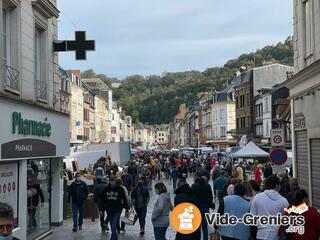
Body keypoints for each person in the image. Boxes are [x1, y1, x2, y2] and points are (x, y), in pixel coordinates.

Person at [250, 175, 289, 240]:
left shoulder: (257, 198)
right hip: (276, 235)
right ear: (277, 185)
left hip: (261, 234)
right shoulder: (284, 201)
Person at [101, 176, 129, 240]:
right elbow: (102, 200)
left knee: (114, 225)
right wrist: (101, 209)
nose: (112, 182)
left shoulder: (120, 189)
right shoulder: (106, 189)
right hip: (109, 210)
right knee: (112, 226)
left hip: (118, 209)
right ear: (109, 181)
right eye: (111, 180)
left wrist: (126, 209)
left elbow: (124, 199)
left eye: (113, 180)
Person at [191, 171, 215, 240]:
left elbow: (191, 197)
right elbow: (210, 197)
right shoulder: (207, 185)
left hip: (196, 208)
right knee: (205, 227)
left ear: (197, 177)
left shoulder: (194, 186)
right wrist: (211, 205)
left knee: (197, 228)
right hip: (205, 208)